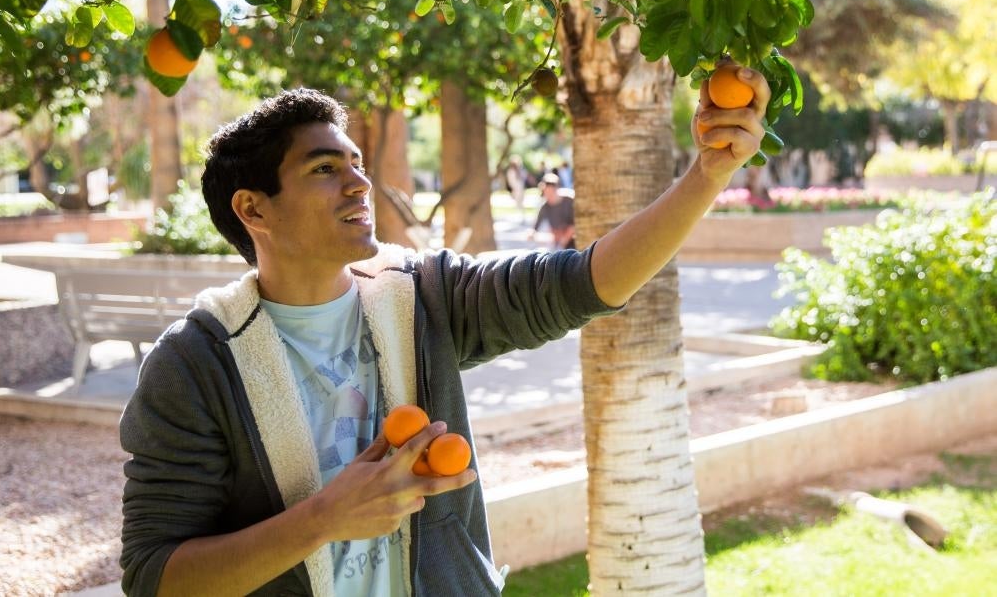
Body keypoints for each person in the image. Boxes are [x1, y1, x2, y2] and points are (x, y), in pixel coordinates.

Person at [119, 70, 768, 596]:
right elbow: (155, 577)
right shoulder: (198, 363)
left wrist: (707, 173)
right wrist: (323, 520)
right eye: (324, 169)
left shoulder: (421, 296)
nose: (359, 181)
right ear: (252, 208)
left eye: (355, 162)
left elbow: (586, 282)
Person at [531, 172, 576, 250]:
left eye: (550, 190)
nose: (548, 194)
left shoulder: (569, 200)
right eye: (546, 191)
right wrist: (532, 233)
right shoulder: (545, 206)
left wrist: (564, 239)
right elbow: (536, 226)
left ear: (556, 188)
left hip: (572, 238)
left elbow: (574, 224)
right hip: (558, 241)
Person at [504, 155, 528, 223]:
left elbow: (524, 177)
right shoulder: (511, 171)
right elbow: (511, 181)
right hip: (516, 189)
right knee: (518, 203)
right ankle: (520, 217)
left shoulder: (519, 170)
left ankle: (522, 217)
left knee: (521, 203)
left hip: (520, 188)